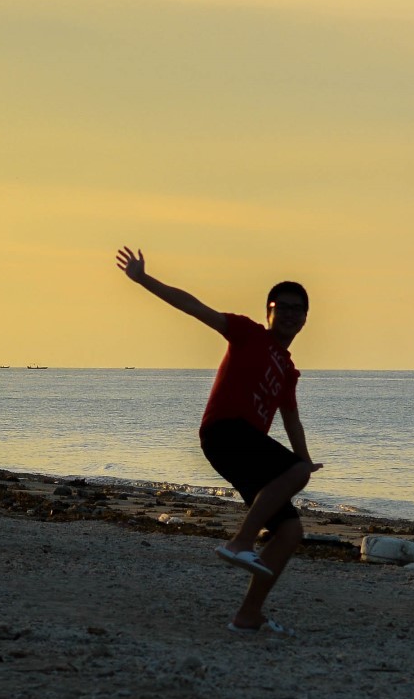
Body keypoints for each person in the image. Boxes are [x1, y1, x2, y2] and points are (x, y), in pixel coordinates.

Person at [115, 246, 319, 635]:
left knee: (291, 532)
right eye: (284, 306)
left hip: (245, 450)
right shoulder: (248, 333)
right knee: (295, 473)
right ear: (269, 311)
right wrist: (143, 279)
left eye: (299, 309)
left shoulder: (288, 370)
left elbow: (290, 417)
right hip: (225, 431)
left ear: (306, 318)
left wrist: (306, 459)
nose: (291, 314)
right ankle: (241, 541)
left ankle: (248, 615)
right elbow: (195, 307)